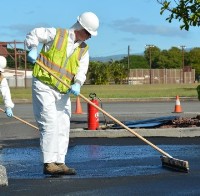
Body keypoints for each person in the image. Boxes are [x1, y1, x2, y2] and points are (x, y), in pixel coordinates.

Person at [25, 12, 99, 175]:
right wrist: (32, 47)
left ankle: (60, 161)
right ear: (80, 27)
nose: (89, 37)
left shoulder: (83, 49)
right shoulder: (57, 34)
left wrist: (78, 83)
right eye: (88, 33)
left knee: (63, 124)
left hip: (63, 90)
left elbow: (82, 69)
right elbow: (34, 34)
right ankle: (49, 163)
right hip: (44, 85)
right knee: (49, 122)